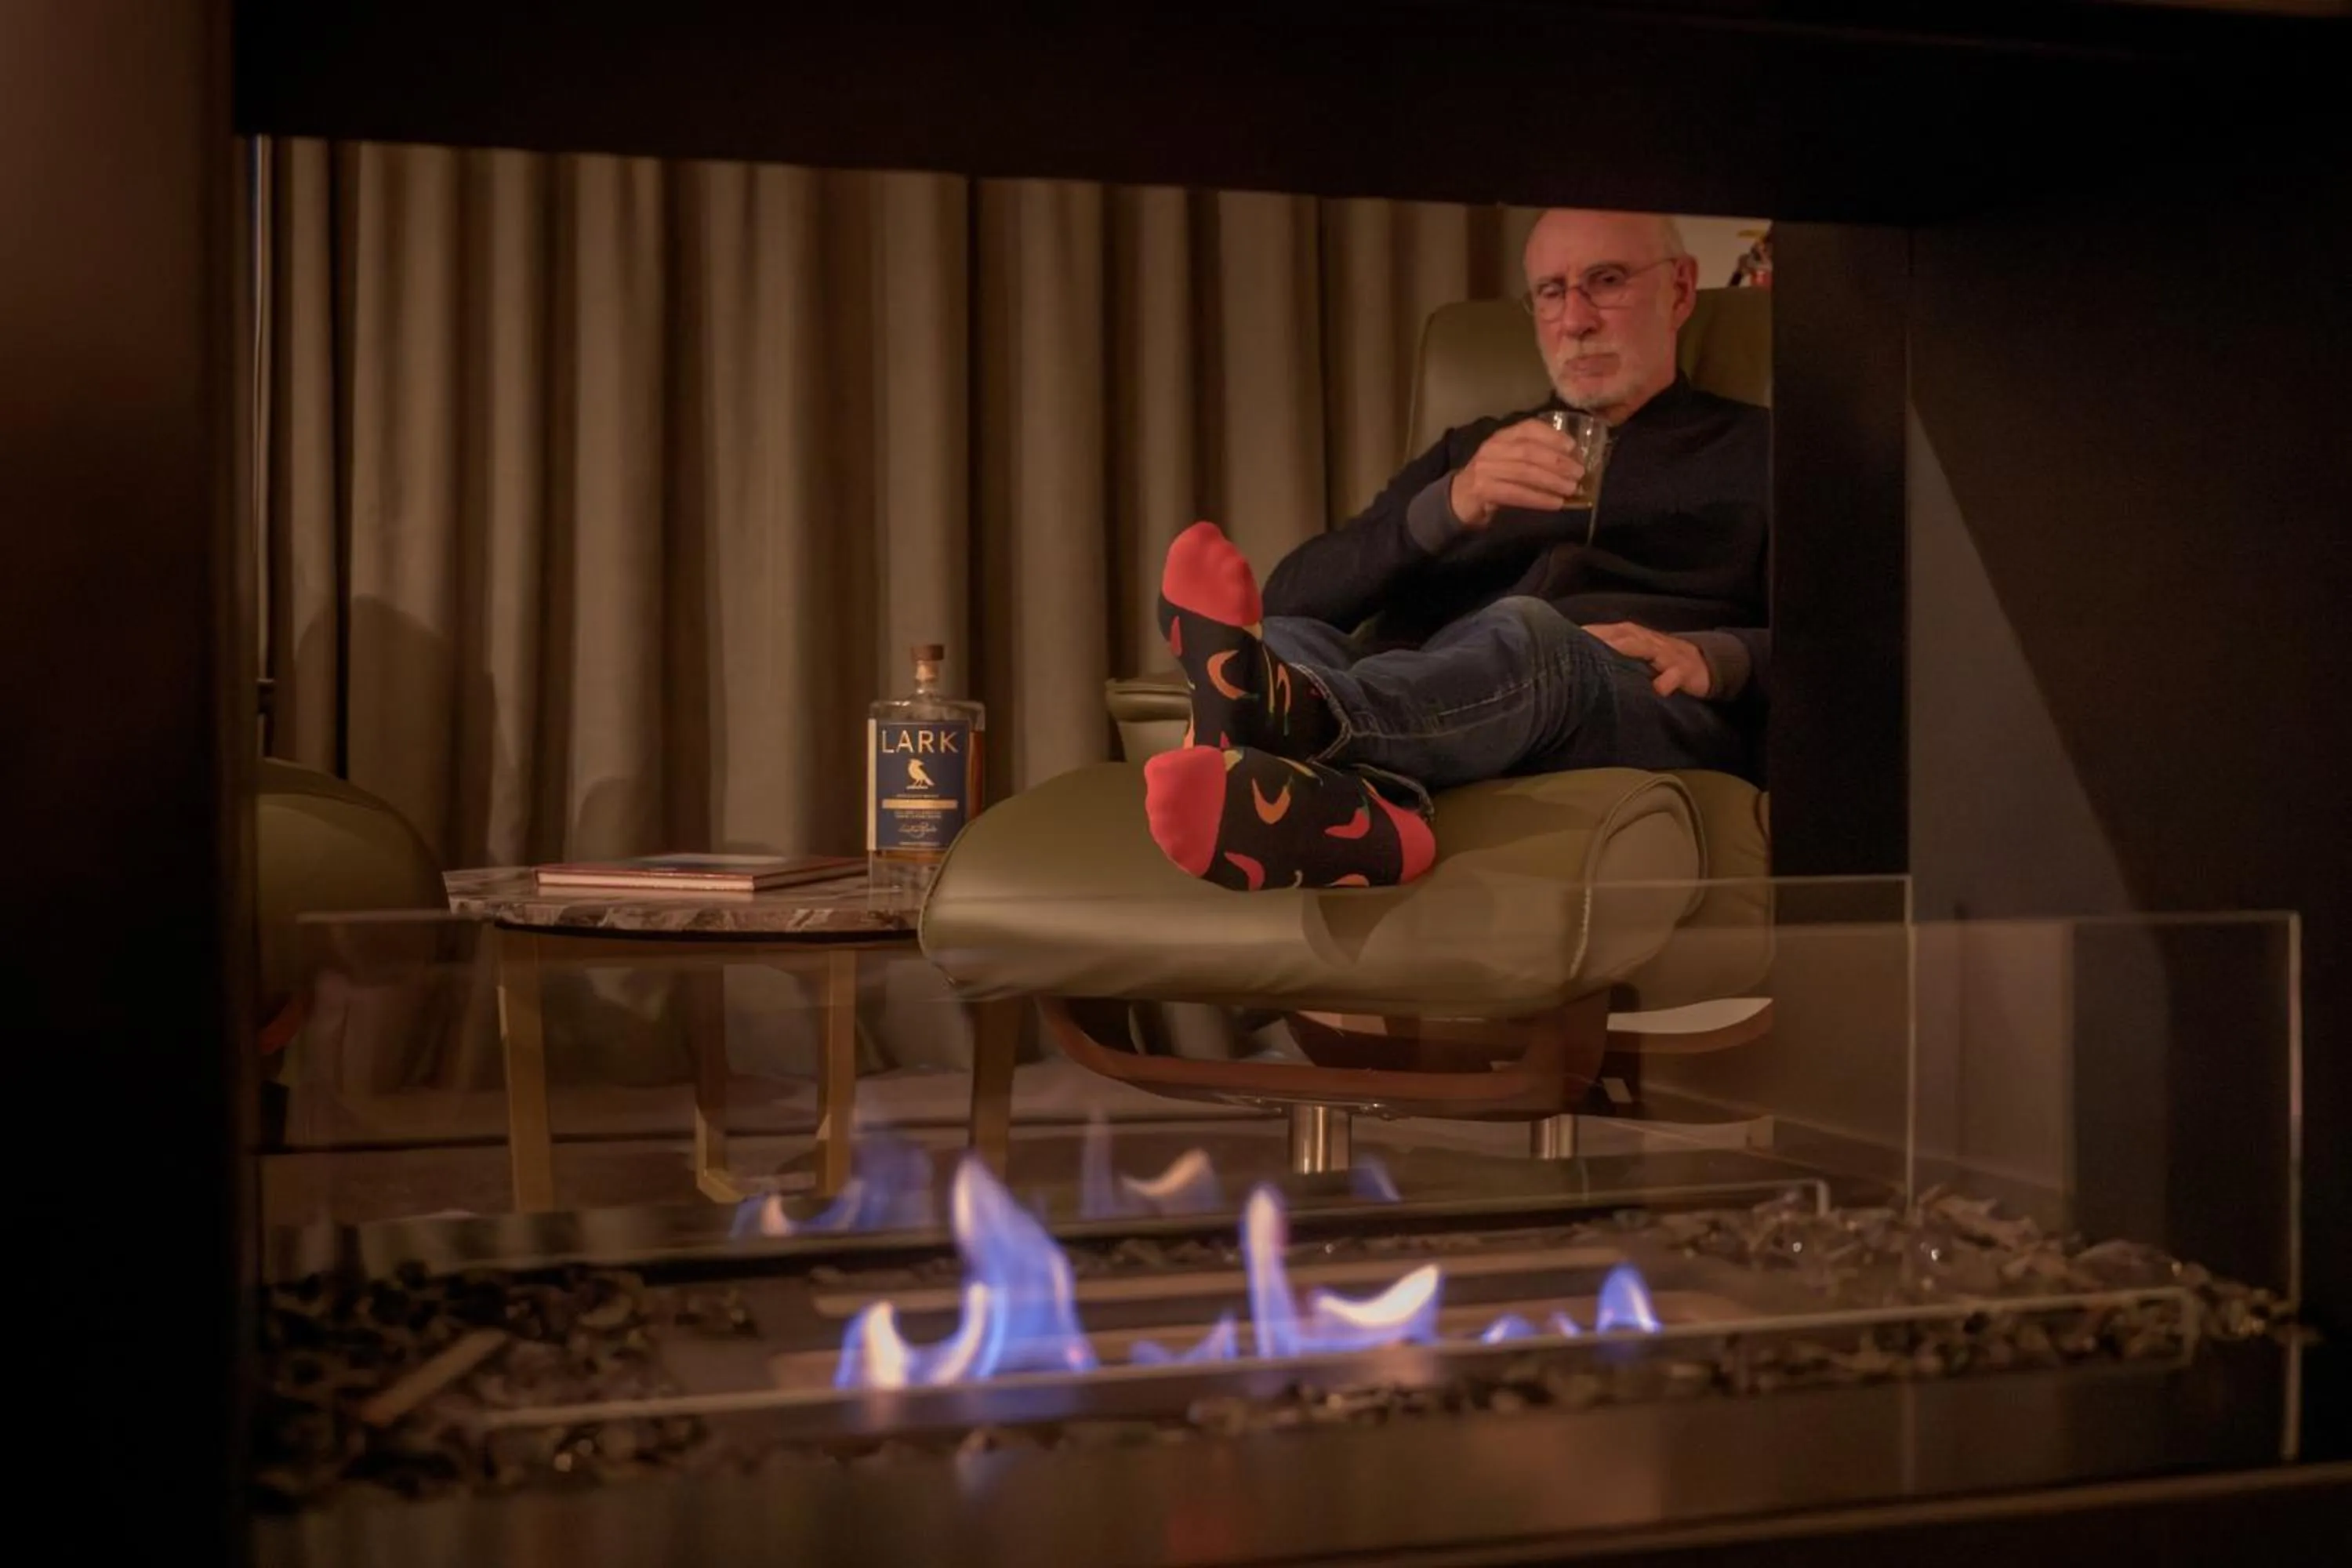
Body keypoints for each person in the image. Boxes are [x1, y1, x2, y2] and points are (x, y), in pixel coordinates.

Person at [1143, 209, 1769, 893]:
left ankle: (1286, 727)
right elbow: (1287, 597)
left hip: (1634, 694)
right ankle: (1364, 821)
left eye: (1607, 280)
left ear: (1680, 290)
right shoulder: (1472, 451)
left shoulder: (1762, 450)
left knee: (1532, 634)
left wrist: (1719, 657)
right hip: (1442, 686)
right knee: (1291, 638)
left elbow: (1844, 642)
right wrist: (1450, 504)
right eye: (1551, 292)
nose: (1575, 320)